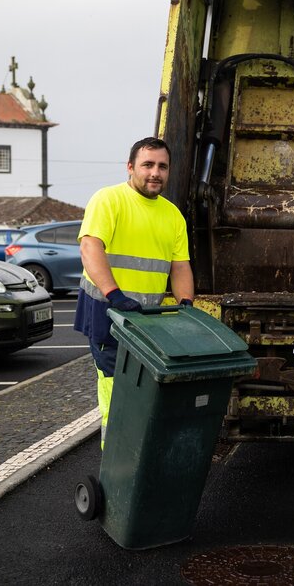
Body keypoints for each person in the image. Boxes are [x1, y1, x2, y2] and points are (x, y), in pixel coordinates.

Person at [74, 136, 195, 447]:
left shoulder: (172, 215)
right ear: (130, 167)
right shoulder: (109, 200)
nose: (155, 172)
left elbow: (180, 267)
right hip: (107, 313)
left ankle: (136, 458)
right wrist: (115, 295)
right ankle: (116, 465)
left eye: (162, 166)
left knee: (144, 391)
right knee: (117, 391)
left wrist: (186, 304)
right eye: (148, 165)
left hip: (147, 321)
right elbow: (90, 247)